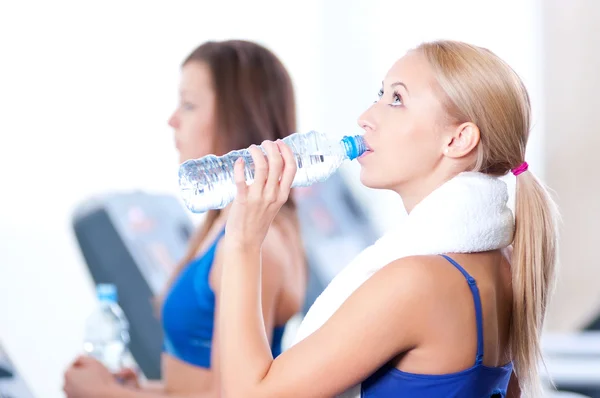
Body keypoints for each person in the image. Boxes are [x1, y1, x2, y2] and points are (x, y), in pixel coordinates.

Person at [215, 40, 559, 397]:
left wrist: (243, 242)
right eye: (380, 94)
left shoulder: (416, 282)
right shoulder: (503, 266)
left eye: (397, 99)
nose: (366, 117)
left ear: (458, 139)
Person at [63, 40, 307, 397]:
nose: (172, 120)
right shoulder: (225, 227)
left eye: (189, 105)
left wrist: (105, 394)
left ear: (236, 117)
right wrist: (140, 390)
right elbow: (197, 387)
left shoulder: (257, 243)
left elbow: (230, 395)